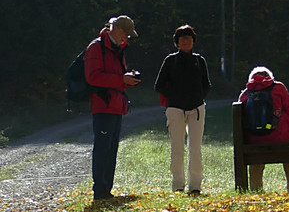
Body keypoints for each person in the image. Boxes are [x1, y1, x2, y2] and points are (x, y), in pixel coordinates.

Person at [83, 15, 142, 201]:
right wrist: (121, 79)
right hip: (103, 106)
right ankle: (99, 191)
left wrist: (128, 79)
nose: (127, 38)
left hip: (116, 105)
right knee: (102, 148)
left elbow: (116, 77)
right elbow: (92, 77)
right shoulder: (96, 47)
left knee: (112, 149)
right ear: (116, 29)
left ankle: (106, 190)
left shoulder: (118, 49)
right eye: (126, 34)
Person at [153, 24, 212, 195]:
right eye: (182, 38)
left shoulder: (199, 61)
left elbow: (206, 85)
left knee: (195, 148)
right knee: (177, 148)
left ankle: (195, 186)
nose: (186, 41)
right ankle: (178, 185)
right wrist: (174, 97)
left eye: (189, 38)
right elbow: (159, 85)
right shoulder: (170, 61)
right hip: (175, 109)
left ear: (193, 41)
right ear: (177, 42)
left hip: (197, 109)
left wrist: (197, 98)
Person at [239, 66, 289, 192]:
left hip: (255, 140)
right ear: (270, 77)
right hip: (281, 137)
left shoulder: (245, 94)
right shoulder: (278, 87)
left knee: (256, 161)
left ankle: (256, 190)